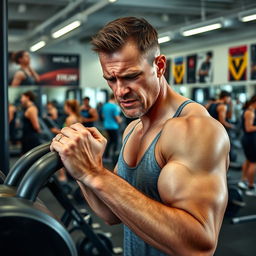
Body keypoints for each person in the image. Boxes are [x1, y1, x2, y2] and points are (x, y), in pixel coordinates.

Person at [51, 17, 229, 256]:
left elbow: (198, 245)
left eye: (131, 76)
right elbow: (111, 214)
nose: (120, 91)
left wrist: (96, 174)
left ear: (160, 65)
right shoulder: (133, 129)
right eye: (111, 79)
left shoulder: (194, 129)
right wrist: (84, 168)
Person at [237, 95, 256, 196]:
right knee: (253, 162)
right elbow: (249, 128)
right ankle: (251, 186)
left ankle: (244, 180)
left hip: (248, 139)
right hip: (250, 139)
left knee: (248, 160)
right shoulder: (250, 112)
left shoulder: (249, 110)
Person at [102, 93, 122, 163]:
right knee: (116, 142)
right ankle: (114, 158)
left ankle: (106, 156)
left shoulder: (105, 106)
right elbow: (117, 118)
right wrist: (120, 120)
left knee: (110, 141)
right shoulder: (115, 107)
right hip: (114, 126)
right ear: (115, 97)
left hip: (106, 126)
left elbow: (103, 116)